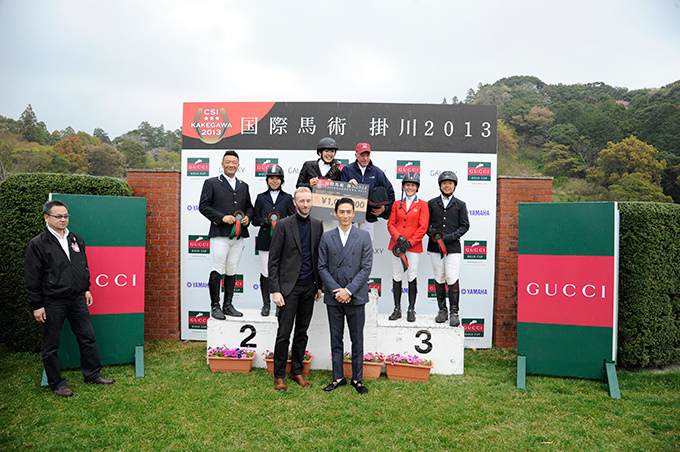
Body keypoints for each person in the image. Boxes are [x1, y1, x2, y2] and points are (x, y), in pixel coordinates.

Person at [24, 200, 115, 398]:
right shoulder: (38, 244)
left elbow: (82, 266)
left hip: (77, 299)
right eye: (58, 216)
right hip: (52, 301)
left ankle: (92, 374)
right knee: (51, 345)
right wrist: (37, 305)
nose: (63, 219)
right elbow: (32, 277)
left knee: (87, 338)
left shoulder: (76, 239)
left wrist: (86, 289)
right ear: (47, 217)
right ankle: (57, 383)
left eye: (66, 216)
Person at [267, 187, 324, 391]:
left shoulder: (318, 225)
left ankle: (297, 371)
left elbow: (318, 258)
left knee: (302, 332)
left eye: (309, 201)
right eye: (302, 201)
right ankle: (279, 375)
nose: (306, 204)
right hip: (287, 289)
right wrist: (275, 290)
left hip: (310, 288)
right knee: (284, 333)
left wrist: (320, 286)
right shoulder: (283, 225)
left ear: (312, 202)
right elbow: (273, 261)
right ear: (295, 203)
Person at [318, 198, 373, 395]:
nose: (345, 215)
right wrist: (337, 291)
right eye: (341, 212)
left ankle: (357, 379)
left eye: (349, 212)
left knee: (357, 339)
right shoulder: (326, 237)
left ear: (354, 213)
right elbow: (322, 267)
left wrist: (348, 291)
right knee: (336, 338)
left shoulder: (364, 236)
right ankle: (338, 377)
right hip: (334, 297)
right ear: (335, 213)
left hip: (356, 296)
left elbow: (366, 268)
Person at [199, 150, 253, 319]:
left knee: (232, 269)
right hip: (220, 234)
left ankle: (228, 304)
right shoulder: (212, 183)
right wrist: (222, 217)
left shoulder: (244, 185)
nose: (231, 165)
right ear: (222, 164)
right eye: (227, 162)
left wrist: (247, 218)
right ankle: (215, 306)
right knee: (218, 268)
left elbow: (249, 207)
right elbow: (203, 206)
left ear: (238, 165)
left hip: (238, 236)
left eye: (234, 162)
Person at [252, 164, 296, 316]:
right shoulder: (260, 198)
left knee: (282, 272)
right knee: (266, 272)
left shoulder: (288, 198)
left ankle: (280, 304)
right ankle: (266, 304)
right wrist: (266, 221)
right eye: (271, 178)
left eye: (277, 178)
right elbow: (254, 220)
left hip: (284, 241)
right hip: (265, 240)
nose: (274, 181)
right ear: (267, 180)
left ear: (281, 180)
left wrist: (282, 223)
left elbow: (293, 218)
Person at [427, 171, 469, 327]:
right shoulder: (431, 203)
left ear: (454, 186)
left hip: (453, 248)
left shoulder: (460, 205)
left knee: (451, 277)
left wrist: (449, 237)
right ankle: (442, 310)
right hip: (434, 247)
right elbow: (426, 225)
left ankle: (454, 312)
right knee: (439, 277)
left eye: (450, 183)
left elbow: (465, 225)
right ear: (440, 185)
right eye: (444, 183)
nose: (447, 185)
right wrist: (433, 235)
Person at [386, 172, 430, 322]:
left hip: (413, 247)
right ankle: (397, 308)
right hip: (397, 246)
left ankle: (411, 309)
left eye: (413, 185)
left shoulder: (423, 205)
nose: (410, 187)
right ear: (403, 187)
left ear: (417, 187)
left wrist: (410, 242)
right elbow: (390, 224)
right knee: (397, 275)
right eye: (407, 185)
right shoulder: (396, 204)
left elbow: (423, 227)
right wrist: (399, 238)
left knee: (411, 275)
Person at [341, 142, 395, 240]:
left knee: (366, 246)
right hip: (350, 217)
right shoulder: (347, 170)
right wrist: (347, 186)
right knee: (349, 245)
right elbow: (339, 194)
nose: (365, 158)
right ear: (356, 155)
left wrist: (384, 208)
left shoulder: (377, 172)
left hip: (368, 217)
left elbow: (390, 193)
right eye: (362, 155)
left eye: (368, 155)